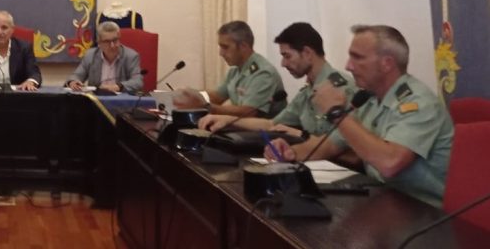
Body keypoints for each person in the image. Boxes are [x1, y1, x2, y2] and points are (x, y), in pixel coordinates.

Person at [265, 25, 454, 208]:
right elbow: (329, 145)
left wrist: (336, 113)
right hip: (384, 199)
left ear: (386, 63)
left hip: (425, 210)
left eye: (357, 58)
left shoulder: (418, 103)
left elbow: (390, 163)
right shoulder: (369, 99)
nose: (348, 66)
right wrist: (291, 152)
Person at [198, 22, 356, 136]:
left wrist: (301, 136)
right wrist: (227, 120)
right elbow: (271, 124)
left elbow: (343, 146)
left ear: (307, 53)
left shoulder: (340, 87)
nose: (283, 63)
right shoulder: (307, 92)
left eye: (287, 56)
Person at [174, 20, 287, 117]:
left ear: (243, 46)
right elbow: (217, 97)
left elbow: (248, 112)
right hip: (243, 129)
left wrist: (206, 106)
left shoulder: (263, 73)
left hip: (264, 132)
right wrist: (192, 94)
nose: (221, 53)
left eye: (225, 47)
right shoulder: (235, 70)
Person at [65, 20, 142, 93]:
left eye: (115, 40)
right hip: (97, 100)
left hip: (121, 100)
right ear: (99, 43)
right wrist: (73, 82)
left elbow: (138, 82)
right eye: (107, 41)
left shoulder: (131, 56)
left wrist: (118, 86)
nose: (112, 45)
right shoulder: (91, 55)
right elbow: (77, 75)